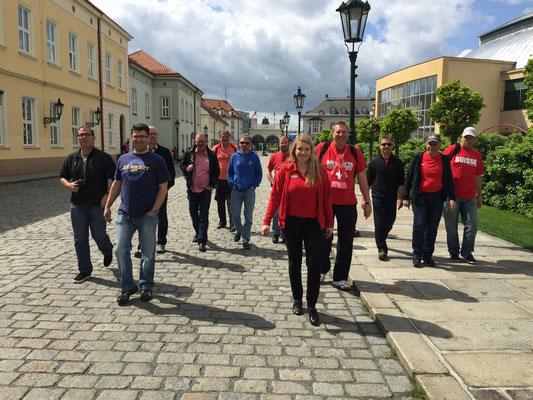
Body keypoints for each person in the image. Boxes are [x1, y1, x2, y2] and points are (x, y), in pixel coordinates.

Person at [262, 135, 333, 326]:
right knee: (295, 263)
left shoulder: (320, 172)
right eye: (299, 149)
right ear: (294, 151)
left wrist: (329, 224)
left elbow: (326, 200)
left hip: (313, 224)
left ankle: (311, 304)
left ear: (312, 152)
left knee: (314, 263)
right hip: (291, 224)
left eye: (306, 149)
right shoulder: (285, 170)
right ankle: (297, 299)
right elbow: (275, 196)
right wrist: (267, 221)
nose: (303, 153)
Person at [104, 123, 170, 305]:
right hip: (125, 213)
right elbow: (116, 184)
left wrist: (155, 209)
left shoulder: (157, 160)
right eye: (136, 136)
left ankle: (146, 285)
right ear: (131, 138)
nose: (139, 139)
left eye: (142, 136)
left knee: (148, 253)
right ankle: (127, 287)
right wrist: (108, 206)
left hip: (147, 215)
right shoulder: (123, 159)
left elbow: (163, 187)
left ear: (149, 138)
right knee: (120, 249)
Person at [315, 121, 372, 291]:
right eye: (338, 132)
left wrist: (366, 201)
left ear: (348, 135)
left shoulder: (355, 152)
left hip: (348, 203)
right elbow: (311, 171)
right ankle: (322, 269)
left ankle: (340, 277)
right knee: (323, 238)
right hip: (326, 202)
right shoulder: (322, 149)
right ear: (332, 134)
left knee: (346, 241)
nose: (341, 135)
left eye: (344, 132)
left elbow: (361, 177)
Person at [59, 126, 116, 283]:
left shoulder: (103, 157)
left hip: (97, 204)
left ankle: (107, 249)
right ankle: (85, 270)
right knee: (80, 238)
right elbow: (62, 177)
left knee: (98, 235)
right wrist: (68, 185)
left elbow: (116, 178)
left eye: (87, 135)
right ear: (77, 138)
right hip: (77, 205)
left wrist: (107, 196)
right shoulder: (72, 158)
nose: (84, 137)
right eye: (80, 135)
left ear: (93, 137)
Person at [403, 133, 456, 268]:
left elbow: (449, 180)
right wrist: (405, 197)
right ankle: (417, 254)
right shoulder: (418, 158)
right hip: (420, 198)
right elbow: (409, 178)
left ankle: (427, 255)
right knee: (420, 225)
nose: (432, 146)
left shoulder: (443, 160)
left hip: (437, 198)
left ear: (439, 145)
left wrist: (452, 198)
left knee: (432, 228)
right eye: (430, 143)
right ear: (426, 144)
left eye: (434, 144)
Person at [442, 127, 484, 264]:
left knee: (472, 224)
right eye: (466, 137)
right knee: (451, 226)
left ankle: (467, 252)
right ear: (461, 137)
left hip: (470, 196)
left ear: (475, 139)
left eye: (471, 137)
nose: (468, 140)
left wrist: (480, 195)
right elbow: (440, 167)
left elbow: (478, 176)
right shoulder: (452, 150)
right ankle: (453, 252)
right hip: (451, 195)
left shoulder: (477, 155)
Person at [366, 135, 405, 261]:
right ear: (380, 146)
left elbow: (401, 182)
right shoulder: (374, 163)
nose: (386, 147)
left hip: (391, 197)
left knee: (390, 222)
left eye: (388, 144)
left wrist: (400, 197)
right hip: (377, 197)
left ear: (392, 146)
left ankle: (381, 237)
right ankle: (382, 248)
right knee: (379, 224)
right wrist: (365, 200)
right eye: (383, 144)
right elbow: (367, 182)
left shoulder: (398, 163)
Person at [180, 133, 220, 252]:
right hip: (192, 189)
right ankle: (198, 232)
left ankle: (202, 240)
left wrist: (211, 185)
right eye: (198, 141)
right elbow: (182, 165)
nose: (200, 143)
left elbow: (216, 172)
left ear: (206, 142)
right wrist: (187, 169)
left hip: (205, 190)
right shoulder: (189, 154)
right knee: (193, 214)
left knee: (203, 215)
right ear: (195, 142)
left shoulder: (212, 155)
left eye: (202, 141)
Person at [227, 135, 262, 250]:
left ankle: (245, 239)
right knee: (235, 214)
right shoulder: (234, 156)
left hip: (249, 191)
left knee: (248, 217)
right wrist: (232, 184)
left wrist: (253, 186)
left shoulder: (254, 157)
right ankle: (239, 230)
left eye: (246, 143)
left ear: (250, 144)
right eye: (242, 143)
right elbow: (229, 172)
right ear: (239, 144)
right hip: (236, 190)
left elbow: (259, 174)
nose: (244, 145)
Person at [148, 126, 175, 254]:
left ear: (157, 136)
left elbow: (171, 173)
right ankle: (144, 243)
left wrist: (165, 189)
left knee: (161, 217)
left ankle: (161, 242)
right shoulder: (140, 151)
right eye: (150, 134)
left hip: (161, 192)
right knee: (144, 218)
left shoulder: (164, 152)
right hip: (145, 193)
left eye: (154, 134)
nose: (152, 136)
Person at [211, 131, 238, 231]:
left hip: (231, 180)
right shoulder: (215, 148)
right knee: (220, 202)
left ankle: (232, 223)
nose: (225, 139)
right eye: (223, 137)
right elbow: (211, 163)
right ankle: (222, 221)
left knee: (231, 202)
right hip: (219, 180)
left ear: (229, 137)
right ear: (220, 137)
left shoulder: (235, 148)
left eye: (226, 137)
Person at [266, 135, 291, 244]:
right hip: (277, 188)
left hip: (290, 189)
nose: (283, 145)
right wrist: (272, 180)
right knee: (276, 211)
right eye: (282, 143)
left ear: (289, 144)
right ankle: (276, 232)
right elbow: (268, 170)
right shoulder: (274, 156)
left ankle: (284, 233)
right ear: (279, 144)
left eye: (285, 142)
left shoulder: (293, 156)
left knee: (288, 212)